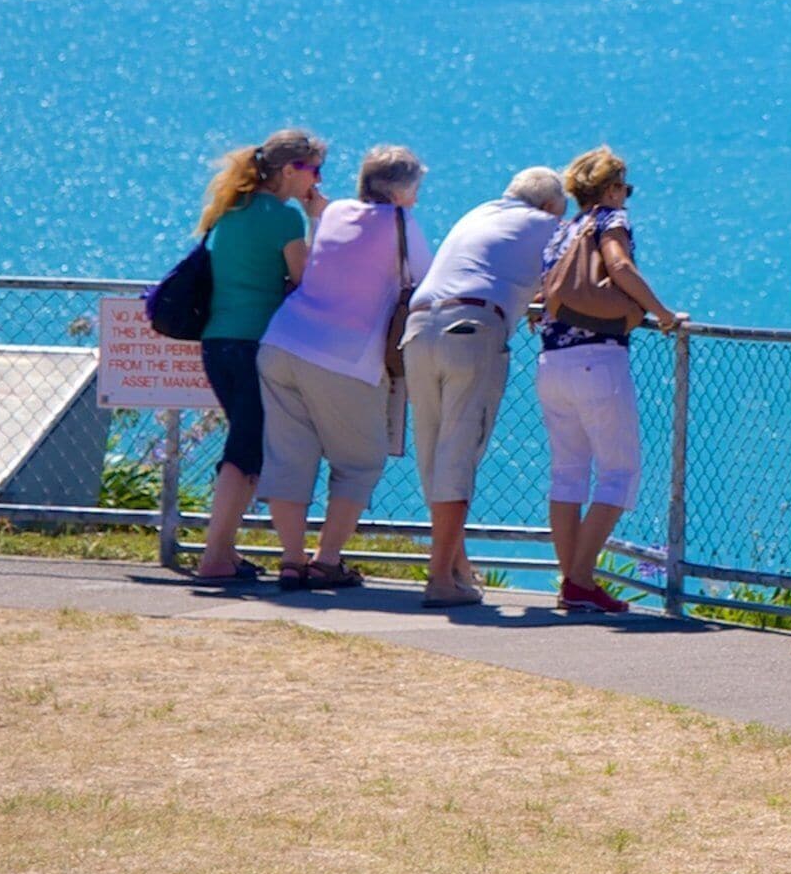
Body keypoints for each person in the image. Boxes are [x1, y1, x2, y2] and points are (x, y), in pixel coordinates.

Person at [255, 144, 435, 589]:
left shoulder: (335, 214)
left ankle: (292, 560)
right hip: (343, 356)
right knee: (360, 462)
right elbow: (431, 286)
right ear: (401, 189)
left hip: (282, 341)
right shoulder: (402, 225)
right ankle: (326, 560)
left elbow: (321, 210)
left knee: (288, 457)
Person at [401, 166, 568, 609]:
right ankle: (440, 578)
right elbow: (566, 284)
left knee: (433, 453)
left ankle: (456, 569)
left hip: (418, 328)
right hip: (471, 330)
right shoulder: (549, 226)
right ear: (551, 205)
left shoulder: (479, 214)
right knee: (457, 453)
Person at [533, 146, 684, 615]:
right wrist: (661, 313)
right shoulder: (607, 222)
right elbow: (618, 265)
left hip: (552, 361)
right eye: (626, 189)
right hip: (598, 359)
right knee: (620, 473)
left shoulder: (562, 232)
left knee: (568, 473)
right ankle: (580, 578)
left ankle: (573, 584)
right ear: (613, 188)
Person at [186, 128, 326, 588]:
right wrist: (316, 220)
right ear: (291, 171)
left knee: (246, 446)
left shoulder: (230, 212)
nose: (317, 181)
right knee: (244, 451)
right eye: (314, 171)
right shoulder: (284, 218)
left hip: (217, 341)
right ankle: (213, 557)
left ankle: (224, 550)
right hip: (254, 343)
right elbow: (306, 280)